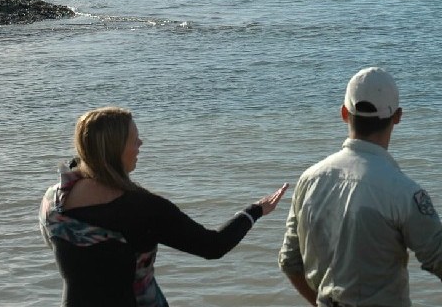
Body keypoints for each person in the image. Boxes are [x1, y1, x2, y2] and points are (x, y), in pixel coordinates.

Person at [39, 106, 289, 306]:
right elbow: (213, 246)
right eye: (134, 139)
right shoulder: (142, 208)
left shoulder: (53, 201)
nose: (141, 144)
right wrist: (255, 210)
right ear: (115, 150)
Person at [279, 67, 442, 307]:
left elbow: (290, 263)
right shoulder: (404, 193)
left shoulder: (308, 180)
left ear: (344, 113)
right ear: (397, 117)